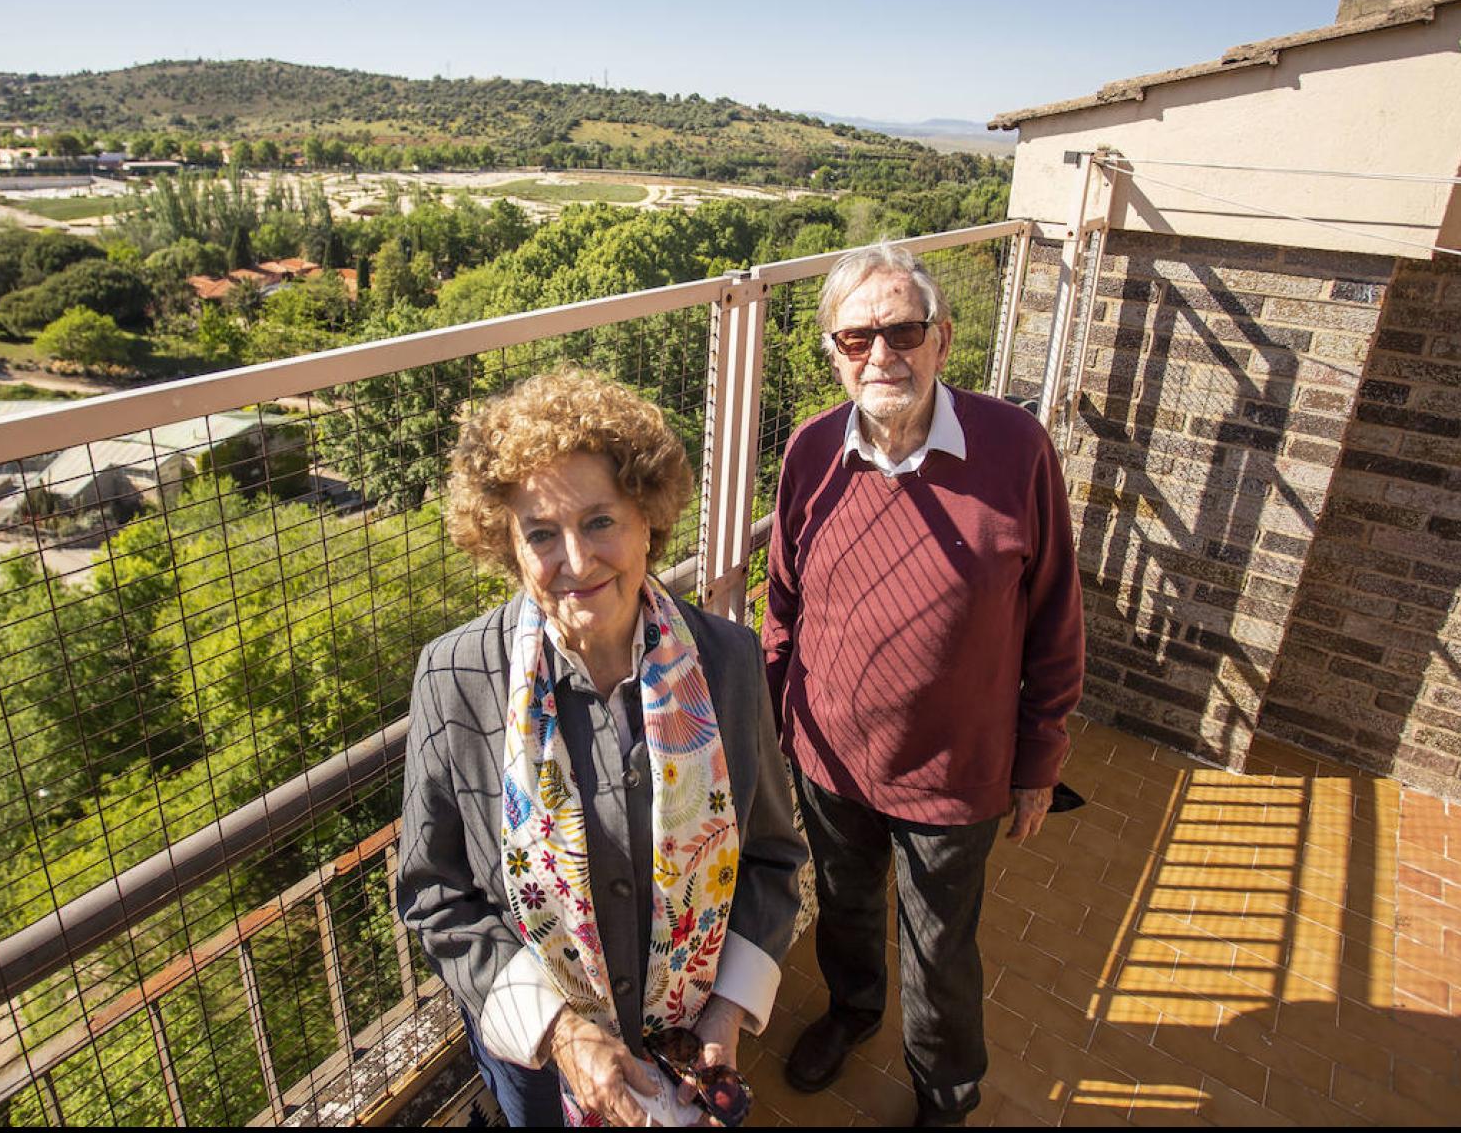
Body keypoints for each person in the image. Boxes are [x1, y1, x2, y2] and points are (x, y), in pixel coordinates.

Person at [399, 369, 807, 1126]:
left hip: (687, 1054)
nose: (577, 563)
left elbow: (775, 856)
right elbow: (434, 892)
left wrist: (725, 1011)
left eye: (599, 523)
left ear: (648, 519)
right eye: (541, 534)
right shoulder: (456, 678)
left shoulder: (728, 660)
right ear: (506, 545)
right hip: (541, 1077)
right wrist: (559, 1035)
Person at [763, 243, 1084, 1126]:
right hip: (830, 752)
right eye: (856, 337)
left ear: (942, 338)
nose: (881, 355)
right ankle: (853, 1012)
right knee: (846, 907)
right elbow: (782, 598)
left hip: (957, 769)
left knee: (941, 947)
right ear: (833, 351)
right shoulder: (810, 452)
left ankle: (946, 1091)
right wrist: (777, 714)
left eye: (903, 330)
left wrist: (1039, 756)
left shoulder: (1015, 449)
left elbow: (1056, 611)